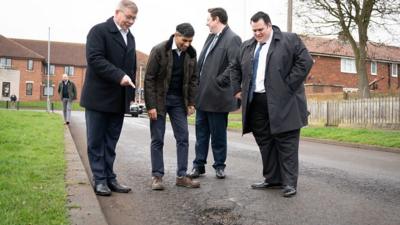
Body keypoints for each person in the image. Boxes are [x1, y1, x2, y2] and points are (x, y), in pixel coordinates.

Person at [231, 11, 313, 197]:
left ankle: (289, 183)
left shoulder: (289, 40)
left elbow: (305, 61)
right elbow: (234, 67)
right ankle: (272, 179)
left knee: (287, 143)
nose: (257, 33)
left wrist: (288, 85)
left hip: (285, 102)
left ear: (269, 25)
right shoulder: (247, 46)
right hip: (256, 102)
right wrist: (237, 89)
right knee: (265, 142)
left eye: (260, 29)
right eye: (254, 30)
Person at [80, 0, 138, 196]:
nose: (131, 21)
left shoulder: (130, 38)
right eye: (128, 17)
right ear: (117, 13)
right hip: (98, 98)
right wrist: (119, 76)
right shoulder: (98, 31)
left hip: (119, 100)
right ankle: (99, 179)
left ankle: (110, 178)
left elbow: (131, 68)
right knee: (96, 141)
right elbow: (95, 59)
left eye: (134, 18)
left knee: (111, 142)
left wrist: (129, 96)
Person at [144, 23, 200, 190]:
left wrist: (191, 102)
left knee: (183, 137)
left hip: (178, 101)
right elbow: (149, 79)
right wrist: (151, 105)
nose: (187, 44)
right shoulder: (159, 50)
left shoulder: (191, 53)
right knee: (157, 138)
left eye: (190, 41)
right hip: (159, 100)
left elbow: (194, 79)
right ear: (176, 35)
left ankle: (182, 176)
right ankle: (157, 177)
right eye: (185, 40)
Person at [188, 8, 241, 179]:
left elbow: (235, 64)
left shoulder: (232, 38)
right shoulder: (210, 37)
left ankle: (219, 166)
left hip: (218, 96)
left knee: (218, 134)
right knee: (201, 133)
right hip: (202, 95)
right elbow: (202, 63)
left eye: (209, 20)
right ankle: (198, 165)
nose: (207, 23)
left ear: (217, 19)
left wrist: (220, 81)